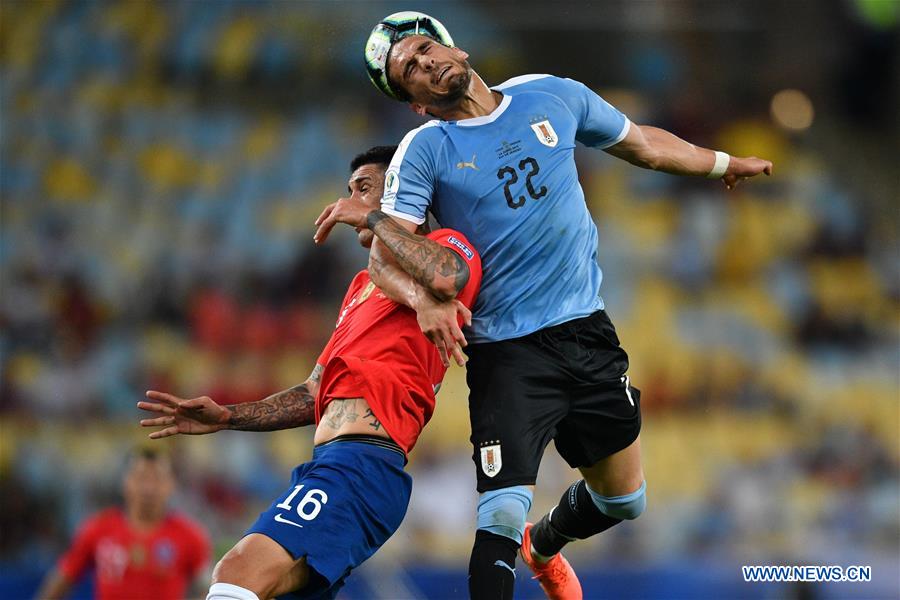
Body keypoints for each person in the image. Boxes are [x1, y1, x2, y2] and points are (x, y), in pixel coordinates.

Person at [315, 12, 773, 600]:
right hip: (505, 352)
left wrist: (723, 164)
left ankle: (546, 543)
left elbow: (642, 144)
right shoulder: (424, 149)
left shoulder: (552, 94)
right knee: (499, 514)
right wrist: (423, 300)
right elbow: (383, 257)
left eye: (426, 49)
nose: (426, 64)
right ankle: (515, 546)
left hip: (586, 332)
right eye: (411, 71)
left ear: (455, 49)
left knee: (624, 500)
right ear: (417, 103)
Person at [137, 145, 482, 600]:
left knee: (237, 573)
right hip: (330, 463)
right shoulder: (361, 286)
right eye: (350, 191)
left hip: (363, 464)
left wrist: (376, 218)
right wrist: (228, 417)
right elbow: (313, 390)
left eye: (364, 188)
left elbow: (447, 278)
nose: (350, 201)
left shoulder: (448, 245)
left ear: (402, 189)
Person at [35, 446, 211, 600]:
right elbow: (62, 579)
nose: (148, 488)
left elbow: (208, 591)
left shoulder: (190, 535)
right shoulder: (98, 529)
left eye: (157, 479)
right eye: (141, 478)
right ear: (125, 482)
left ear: (171, 485)